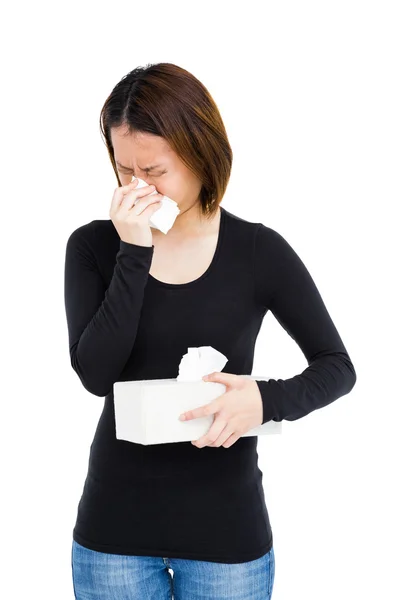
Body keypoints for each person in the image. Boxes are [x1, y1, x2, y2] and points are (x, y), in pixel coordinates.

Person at [64, 62, 356, 600]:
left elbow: (337, 367)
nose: (136, 187)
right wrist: (133, 251)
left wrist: (265, 401)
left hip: (228, 537)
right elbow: (96, 375)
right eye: (123, 169)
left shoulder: (258, 251)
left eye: (153, 171)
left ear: (201, 153)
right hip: (114, 534)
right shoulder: (93, 246)